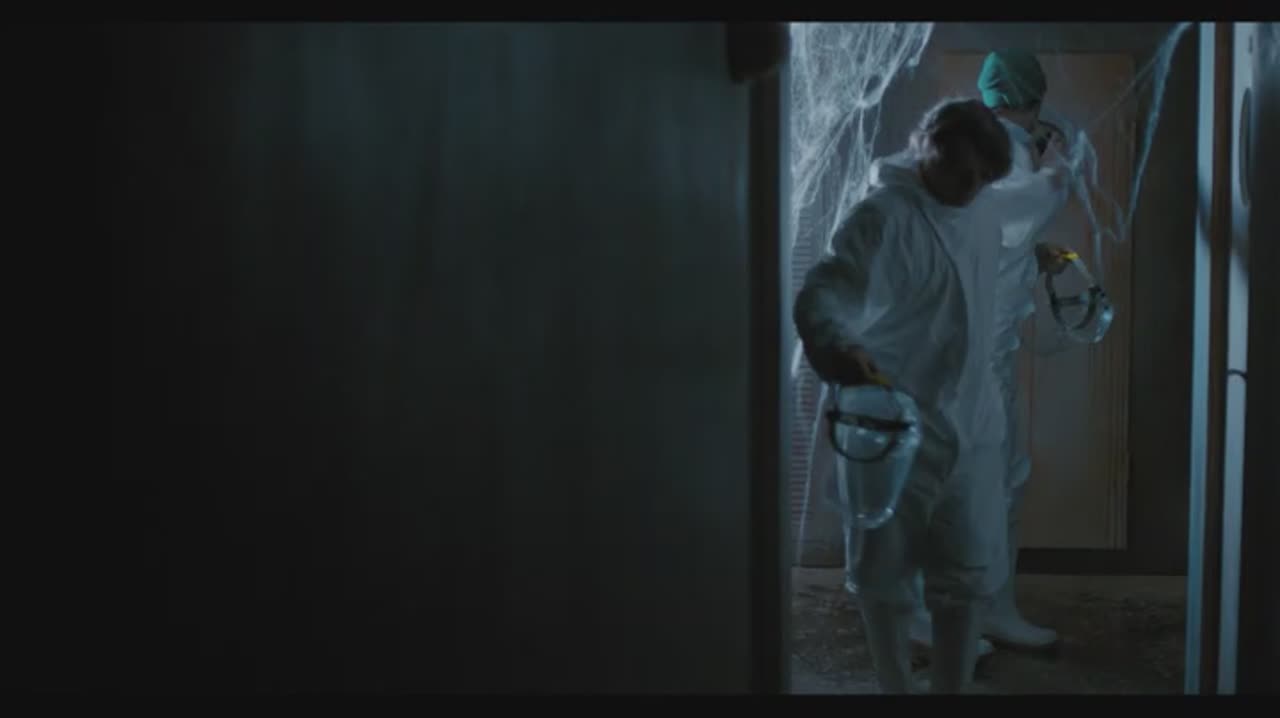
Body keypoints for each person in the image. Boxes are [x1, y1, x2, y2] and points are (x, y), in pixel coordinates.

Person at [793, 98, 1014, 694]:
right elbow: (823, 293)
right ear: (926, 150)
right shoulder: (882, 218)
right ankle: (895, 688)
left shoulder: (984, 212)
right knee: (884, 579)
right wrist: (837, 345)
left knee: (965, 577)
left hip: (970, 424)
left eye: (984, 178)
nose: (972, 188)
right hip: (893, 425)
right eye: (961, 173)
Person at [888, 49, 1076, 656]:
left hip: (961, 349)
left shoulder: (965, 149)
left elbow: (989, 233)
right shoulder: (1011, 149)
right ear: (1034, 100)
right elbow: (1015, 216)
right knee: (971, 485)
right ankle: (948, 620)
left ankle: (974, 613)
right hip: (973, 355)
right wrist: (1058, 173)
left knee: (973, 482)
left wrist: (1033, 256)